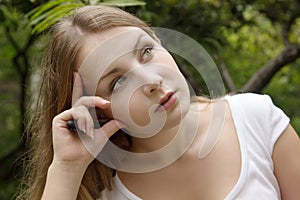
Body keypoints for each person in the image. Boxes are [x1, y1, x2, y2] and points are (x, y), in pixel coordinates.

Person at [17, 5, 300, 200]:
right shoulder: (104, 192)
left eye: (147, 51)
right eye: (117, 82)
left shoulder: (256, 120)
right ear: (94, 109)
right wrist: (67, 168)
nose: (150, 80)